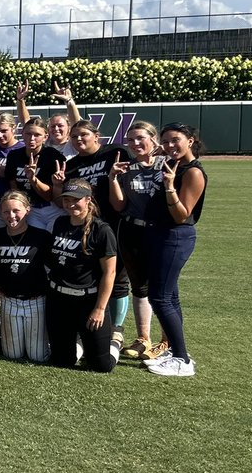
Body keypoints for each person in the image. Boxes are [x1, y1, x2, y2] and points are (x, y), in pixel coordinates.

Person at [141, 123, 208, 378]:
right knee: (171, 296)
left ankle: (182, 359)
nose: (170, 146)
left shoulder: (192, 172)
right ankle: (174, 351)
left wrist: (169, 186)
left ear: (190, 141)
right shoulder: (171, 164)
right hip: (159, 234)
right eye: (166, 141)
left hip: (175, 236)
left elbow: (181, 215)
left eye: (175, 140)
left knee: (159, 297)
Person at [61, 118, 131, 360]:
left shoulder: (116, 152)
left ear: (97, 136)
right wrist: (59, 185)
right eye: (75, 137)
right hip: (86, 227)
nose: (79, 140)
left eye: (84, 135)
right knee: (92, 275)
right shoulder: (72, 165)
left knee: (118, 278)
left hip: (116, 224)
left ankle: (117, 330)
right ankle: (90, 323)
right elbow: (66, 199)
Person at [107, 120, 166, 362]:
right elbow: (119, 205)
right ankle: (144, 338)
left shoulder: (168, 164)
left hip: (160, 231)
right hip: (132, 230)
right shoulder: (126, 167)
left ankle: (166, 339)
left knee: (163, 289)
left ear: (154, 139)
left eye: (141, 138)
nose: (135, 143)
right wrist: (112, 178)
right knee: (139, 286)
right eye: (131, 140)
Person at [45, 178, 117, 373]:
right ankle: (79, 344)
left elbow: (110, 272)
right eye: (66, 200)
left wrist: (100, 308)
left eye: (76, 200)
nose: (70, 204)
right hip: (59, 300)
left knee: (101, 367)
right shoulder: (60, 223)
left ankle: (115, 341)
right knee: (61, 361)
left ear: (88, 200)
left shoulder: (101, 230)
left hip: (88, 301)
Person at [0, 191, 53, 362]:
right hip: (9, 300)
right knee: (12, 355)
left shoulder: (41, 236)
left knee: (38, 356)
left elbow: (51, 265)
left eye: (16, 211)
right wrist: (7, 267)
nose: (11, 216)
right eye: (6, 211)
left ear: (28, 210)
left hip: (35, 301)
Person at [5, 117, 64, 232]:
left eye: (37, 135)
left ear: (45, 137)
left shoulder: (53, 156)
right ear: (22, 134)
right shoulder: (14, 155)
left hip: (52, 208)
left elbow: (49, 195)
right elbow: (13, 185)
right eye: (28, 134)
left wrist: (33, 179)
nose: (32, 138)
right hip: (30, 209)